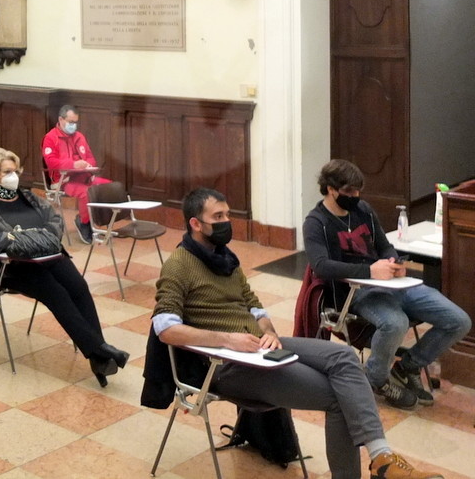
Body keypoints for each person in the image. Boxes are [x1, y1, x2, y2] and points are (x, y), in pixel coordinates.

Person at [149, 187, 441, 479]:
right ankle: (374, 467)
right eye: (218, 217)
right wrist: (227, 340)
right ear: (195, 223)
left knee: (343, 356)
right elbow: (165, 329)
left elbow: (254, 306)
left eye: (227, 214)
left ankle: (381, 458)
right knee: (339, 397)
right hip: (226, 364)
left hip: (260, 347)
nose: (227, 221)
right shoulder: (178, 265)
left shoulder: (226, 258)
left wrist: (269, 332)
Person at [304, 159, 470, 409]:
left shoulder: (363, 210)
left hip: (391, 283)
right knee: (395, 323)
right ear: (330, 189)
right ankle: (376, 379)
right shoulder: (316, 222)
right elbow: (321, 266)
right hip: (356, 291)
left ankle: (408, 367)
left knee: (458, 321)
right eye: (349, 191)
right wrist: (370, 271)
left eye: (358, 191)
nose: (355, 196)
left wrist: (394, 260)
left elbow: (384, 246)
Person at [0, 148, 127, 385]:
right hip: (15, 269)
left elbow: (54, 220)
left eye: (15, 171)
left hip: (47, 256)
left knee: (79, 286)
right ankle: (98, 350)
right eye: (7, 172)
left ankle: (98, 355)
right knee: (56, 292)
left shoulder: (27, 198)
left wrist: (35, 237)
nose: (13, 176)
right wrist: (22, 240)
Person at [41, 105, 110, 244]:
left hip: (84, 176)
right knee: (87, 193)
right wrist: (73, 164)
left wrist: (87, 164)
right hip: (63, 180)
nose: (73, 125)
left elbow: (90, 158)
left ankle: (98, 222)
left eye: (76, 122)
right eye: (71, 122)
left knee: (108, 187)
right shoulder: (50, 138)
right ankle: (84, 223)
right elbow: (51, 162)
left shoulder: (79, 137)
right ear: (61, 119)